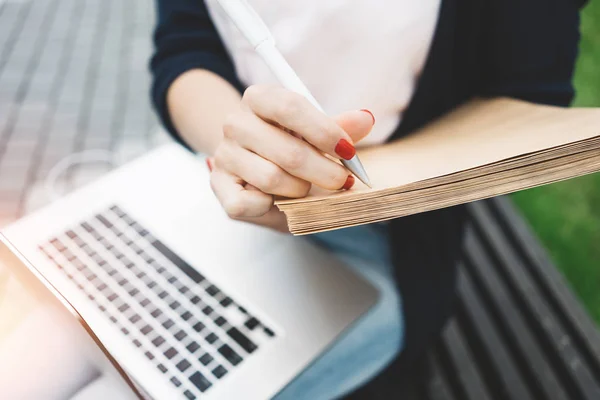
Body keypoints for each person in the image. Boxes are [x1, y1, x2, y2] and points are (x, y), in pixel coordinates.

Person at [151, 0, 584, 398]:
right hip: (225, 202)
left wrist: (358, 196)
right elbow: (185, 47)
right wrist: (237, 149)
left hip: (395, 234)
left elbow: (529, 94)